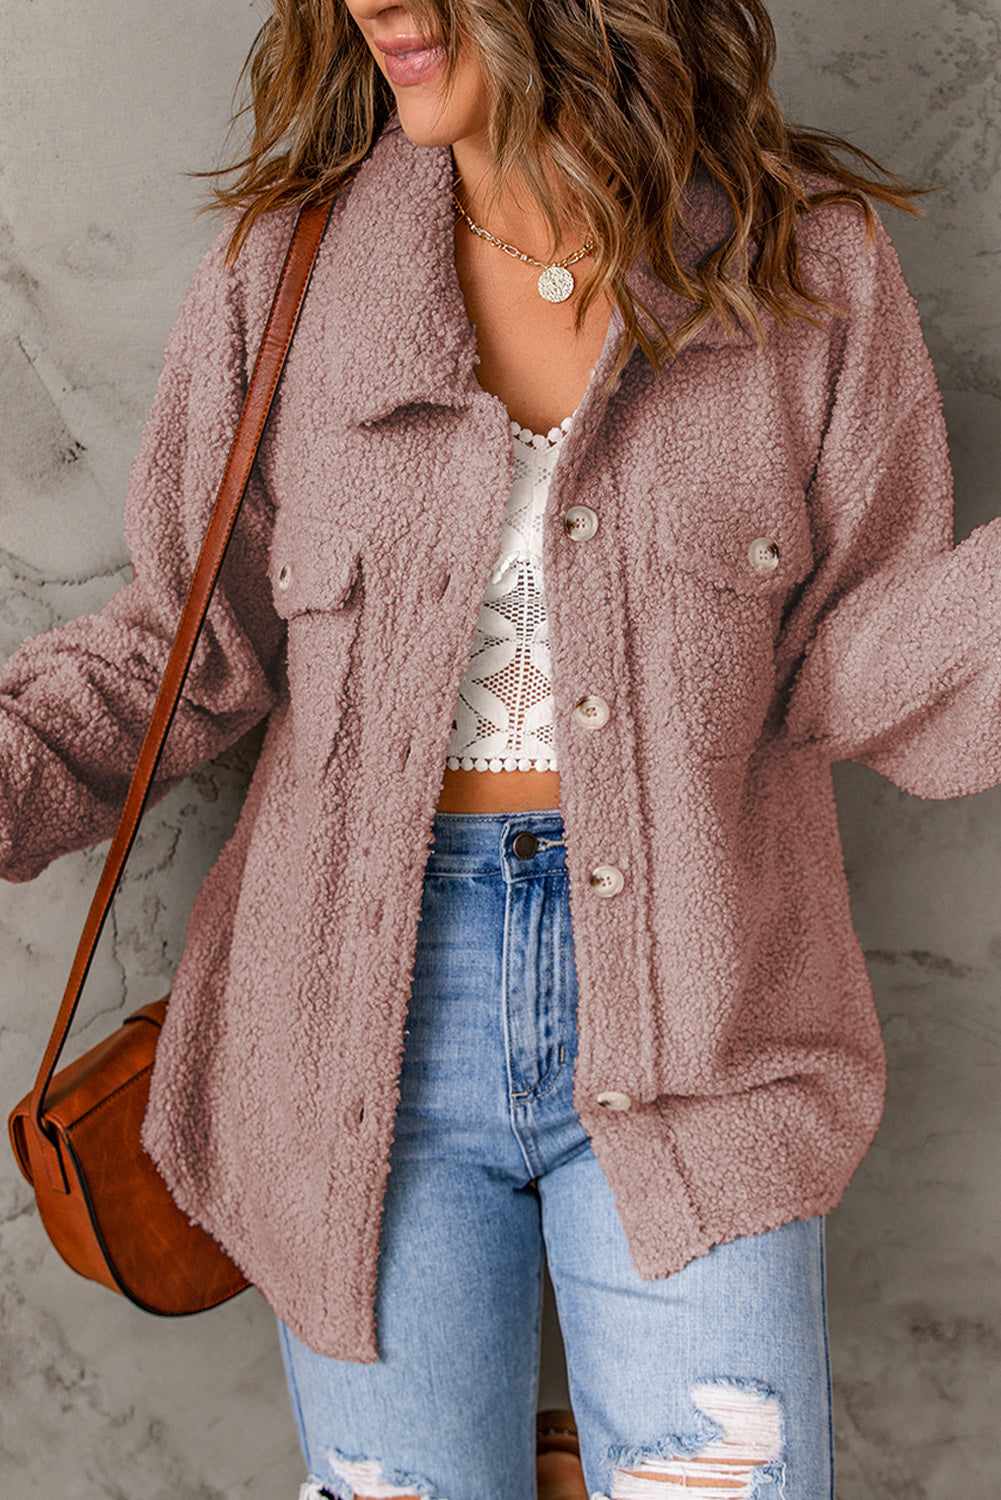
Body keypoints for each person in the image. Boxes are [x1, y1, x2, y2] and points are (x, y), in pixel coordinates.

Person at [3, 0, 1001, 1496]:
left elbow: (854, 655)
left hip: (707, 1015)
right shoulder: (286, 275)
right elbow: (184, 648)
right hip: (349, 1035)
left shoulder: (806, 267)